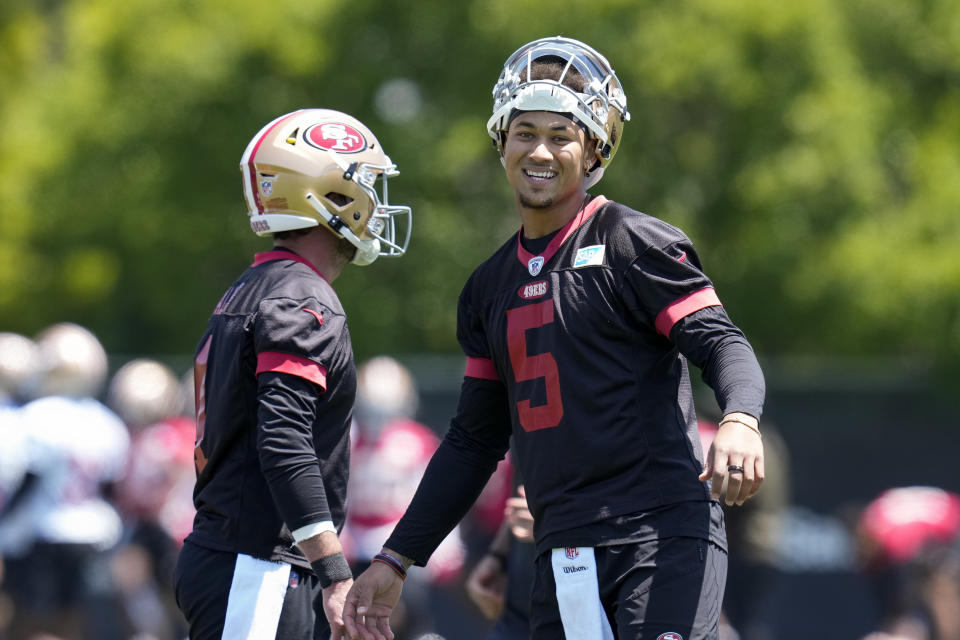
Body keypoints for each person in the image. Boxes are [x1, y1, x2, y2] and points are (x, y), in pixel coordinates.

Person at [343, 36, 765, 640]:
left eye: (561, 134)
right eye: (525, 132)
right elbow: (473, 441)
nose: (540, 150)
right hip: (561, 546)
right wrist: (397, 557)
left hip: (659, 532)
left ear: (594, 150)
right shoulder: (490, 286)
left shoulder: (634, 243)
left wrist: (741, 419)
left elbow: (724, 344)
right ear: (501, 140)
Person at [173, 108, 412, 640]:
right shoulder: (303, 298)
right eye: (366, 185)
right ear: (327, 195)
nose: (376, 204)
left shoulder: (254, 286)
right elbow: (283, 441)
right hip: (255, 565)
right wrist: (333, 571)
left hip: (236, 555)